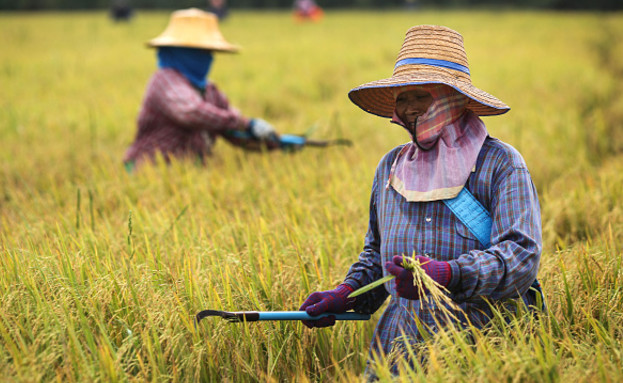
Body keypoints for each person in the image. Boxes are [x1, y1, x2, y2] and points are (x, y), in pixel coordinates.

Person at [298, 25, 544, 377]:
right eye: (402, 97)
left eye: (421, 96)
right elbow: (376, 255)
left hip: (481, 349)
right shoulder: (391, 167)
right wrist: (347, 294)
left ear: (452, 97)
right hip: (399, 350)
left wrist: (447, 274)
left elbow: (521, 256)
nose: (409, 108)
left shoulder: (500, 163)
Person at [124, 8, 279, 172]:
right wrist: (246, 123)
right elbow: (192, 112)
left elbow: (231, 130)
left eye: (209, 52)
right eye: (201, 52)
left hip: (190, 173)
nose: (209, 58)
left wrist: (272, 141)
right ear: (181, 51)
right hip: (149, 171)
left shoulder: (209, 90)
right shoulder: (165, 81)